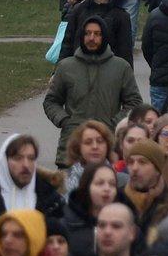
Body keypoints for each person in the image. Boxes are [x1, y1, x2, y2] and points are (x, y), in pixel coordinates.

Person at [43, 14, 143, 153]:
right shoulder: (66, 67)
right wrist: (65, 121)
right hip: (72, 146)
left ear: (104, 37)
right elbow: (51, 101)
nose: (91, 38)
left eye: (97, 34)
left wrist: (116, 123)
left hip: (107, 146)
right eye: (87, 33)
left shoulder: (121, 67)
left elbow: (135, 102)